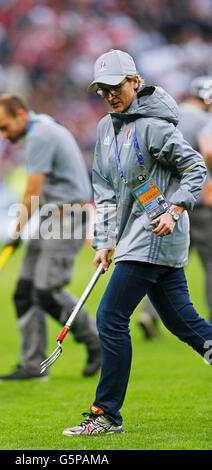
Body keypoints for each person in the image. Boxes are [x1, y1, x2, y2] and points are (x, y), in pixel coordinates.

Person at [63, 49, 212, 436]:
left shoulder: (156, 126)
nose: (110, 95)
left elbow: (196, 167)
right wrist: (103, 240)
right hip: (131, 239)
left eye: (116, 87)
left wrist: (175, 209)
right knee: (186, 325)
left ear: (135, 81)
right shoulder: (104, 128)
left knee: (110, 317)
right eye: (102, 89)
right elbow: (104, 187)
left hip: (157, 235)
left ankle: (106, 414)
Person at [0, 95, 101, 381]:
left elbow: (32, 192)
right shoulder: (41, 127)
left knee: (47, 292)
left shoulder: (39, 135)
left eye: (4, 127)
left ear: (21, 116)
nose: (3, 135)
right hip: (51, 216)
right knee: (25, 292)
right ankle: (34, 366)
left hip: (67, 218)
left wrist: (15, 233)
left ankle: (97, 342)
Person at [138, 76, 212, 339]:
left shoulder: (174, 116)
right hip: (199, 201)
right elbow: (209, 151)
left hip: (168, 200)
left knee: (166, 263)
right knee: (210, 263)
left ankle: (149, 312)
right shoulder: (205, 120)